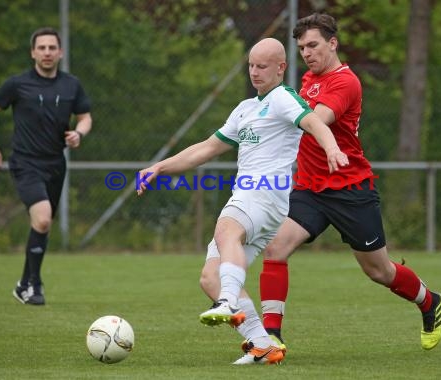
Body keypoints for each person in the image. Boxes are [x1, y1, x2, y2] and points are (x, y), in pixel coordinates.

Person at [137, 37, 349, 364]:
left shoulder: (283, 98)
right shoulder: (245, 108)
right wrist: (160, 167)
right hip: (251, 199)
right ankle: (263, 344)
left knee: (226, 231)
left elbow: (313, 123)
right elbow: (206, 148)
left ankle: (228, 303)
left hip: (265, 193)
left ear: (281, 68)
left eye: (262, 66)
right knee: (210, 276)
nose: (255, 72)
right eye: (251, 65)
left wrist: (332, 148)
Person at [256, 13, 441, 352]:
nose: (307, 53)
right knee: (276, 248)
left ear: (332, 43)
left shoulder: (346, 82)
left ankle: (429, 301)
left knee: (380, 271)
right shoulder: (309, 81)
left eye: (313, 45)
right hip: (310, 189)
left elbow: (319, 120)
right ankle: (271, 336)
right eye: (301, 48)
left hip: (350, 190)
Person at [0, 27, 92, 306]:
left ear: (60, 52)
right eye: (41, 48)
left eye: (51, 48)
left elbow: (85, 117)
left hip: (56, 163)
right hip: (25, 162)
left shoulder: (71, 85)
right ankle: (35, 284)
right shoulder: (17, 84)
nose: (46, 52)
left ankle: (24, 284)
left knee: (42, 225)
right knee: (42, 218)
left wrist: (79, 132)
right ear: (33, 52)